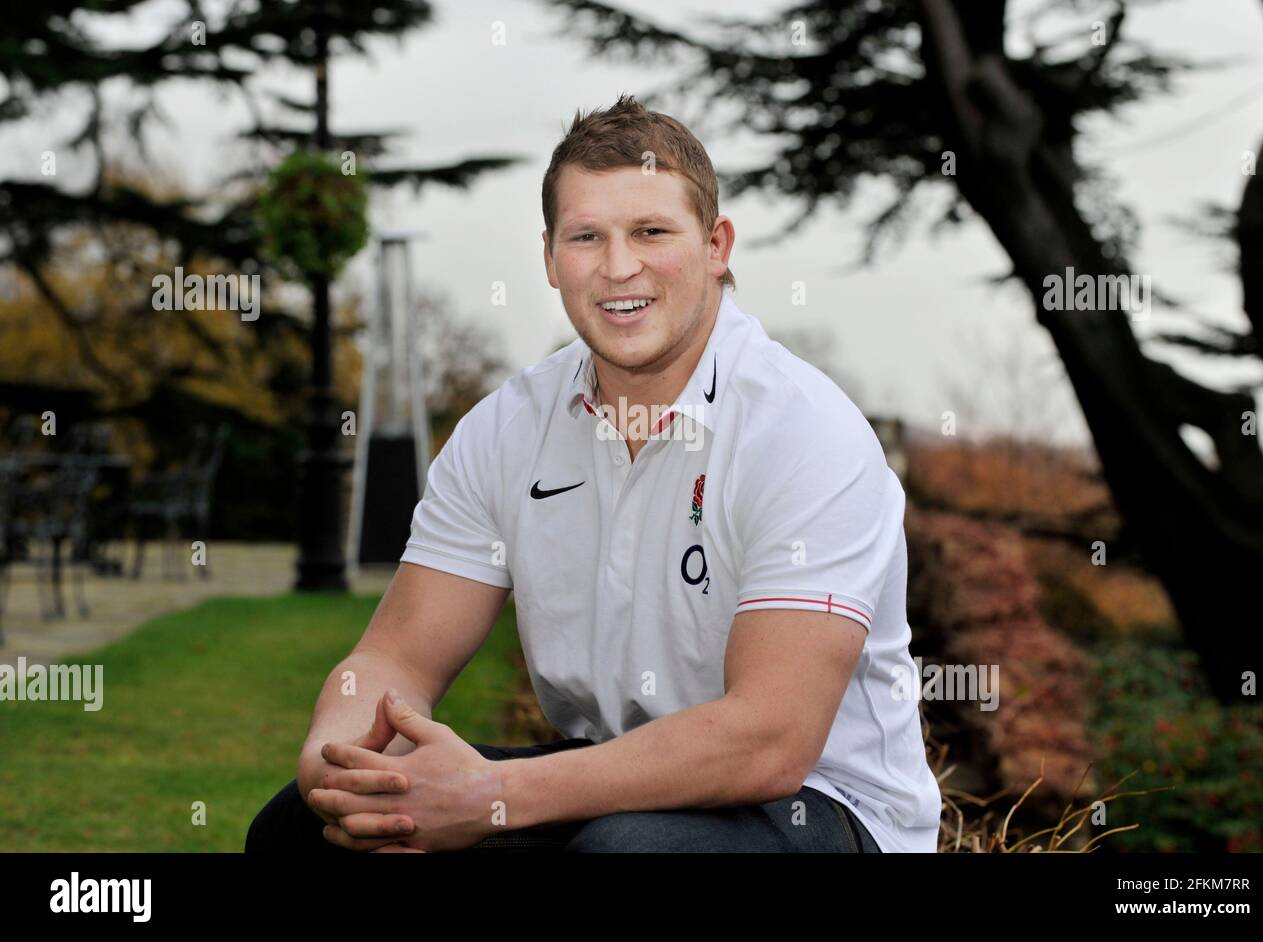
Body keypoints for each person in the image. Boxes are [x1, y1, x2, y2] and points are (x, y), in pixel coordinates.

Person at [246, 93, 941, 853]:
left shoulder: (804, 431)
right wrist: (336, 765)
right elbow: (396, 657)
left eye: (651, 232)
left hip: (820, 805)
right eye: (586, 237)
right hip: (611, 779)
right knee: (303, 828)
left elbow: (769, 740)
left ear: (716, 246)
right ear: (550, 259)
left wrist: (496, 796)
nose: (618, 267)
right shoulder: (507, 429)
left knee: (626, 852)